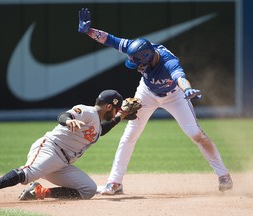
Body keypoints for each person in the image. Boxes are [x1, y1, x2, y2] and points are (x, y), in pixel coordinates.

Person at [78, 8, 233, 195]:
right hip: (147, 93)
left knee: (196, 135)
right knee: (129, 135)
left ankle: (223, 175)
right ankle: (115, 182)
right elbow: (109, 39)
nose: (135, 66)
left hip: (174, 95)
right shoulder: (136, 48)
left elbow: (179, 77)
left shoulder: (168, 62)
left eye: (137, 64)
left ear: (148, 58)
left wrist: (187, 89)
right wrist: (89, 31)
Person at [0, 89, 137, 203]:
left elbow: (102, 130)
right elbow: (64, 115)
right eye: (116, 110)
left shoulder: (97, 123)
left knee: (88, 189)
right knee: (29, 173)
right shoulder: (87, 111)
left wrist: (120, 116)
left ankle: (39, 192)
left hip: (62, 163)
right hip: (50, 149)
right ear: (109, 107)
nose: (115, 113)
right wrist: (68, 120)